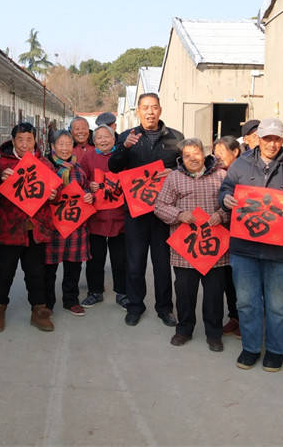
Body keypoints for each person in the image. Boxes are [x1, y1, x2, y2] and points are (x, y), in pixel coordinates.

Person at [219, 118, 283, 372]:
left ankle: (276, 350)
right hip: (245, 248)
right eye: (267, 138)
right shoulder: (240, 164)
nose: (272, 144)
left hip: (281, 249)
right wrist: (226, 199)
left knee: (279, 305)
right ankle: (250, 347)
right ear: (257, 138)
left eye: (277, 139)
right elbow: (225, 189)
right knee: (247, 302)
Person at [108, 92, 183, 327]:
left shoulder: (175, 137)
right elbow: (113, 166)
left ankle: (164, 308)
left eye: (154, 107)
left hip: (164, 211)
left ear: (160, 110)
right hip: (135, 210)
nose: (150, 112)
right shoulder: (126, 136)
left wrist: (176, 172)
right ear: (138, 111)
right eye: (145, 107)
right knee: (135, 262)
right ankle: (134, 306)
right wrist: (123, 148)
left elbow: (187, 165)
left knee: (162, 263)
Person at [154, 138, 230, 350]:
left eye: (196, 153)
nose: (192, 159)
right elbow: (159, 205)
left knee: (214, 293)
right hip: (185, 246)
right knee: (185, 292)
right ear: (181, 158)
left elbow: (233, 204)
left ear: (204, 153)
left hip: (213, 246)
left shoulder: (222, 175)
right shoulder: (174, 178)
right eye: (187, 155)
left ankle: (214, 334)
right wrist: (179, 214)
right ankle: (184, 329)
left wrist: (221, 215)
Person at [0, 122, 56, 332]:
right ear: (13, 140)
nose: (25, 144)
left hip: (35, 230)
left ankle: (39, 311)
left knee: (36, 273)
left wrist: (54, 195)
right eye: (20, 139)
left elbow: (57, 191)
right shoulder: (1, 164)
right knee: (3, 272)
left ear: (36, 140)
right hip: (9, 230)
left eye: (29, 139)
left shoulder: (44, 163)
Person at [45, 129, 93, 315]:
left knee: (73, 266)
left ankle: (70, 300)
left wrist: (90, 196)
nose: (65, 148)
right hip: (52, 226)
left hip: (75, 226)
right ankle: (47, 303)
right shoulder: (47, 167)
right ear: (53, 146)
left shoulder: (78, 169)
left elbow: (87, 188)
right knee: (49, 269)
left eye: (68, 144)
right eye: (61, 144)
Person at [78, 125, 127, 309]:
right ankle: (95, 291)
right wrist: (88, 188)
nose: (103, 140)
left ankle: (122, 292)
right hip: (96, 216)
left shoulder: (122, 156)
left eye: (107, 137)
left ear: (114, 138)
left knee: (120, 258)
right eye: (99, 138)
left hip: (119, 215)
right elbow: (80, 181)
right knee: (95, 258)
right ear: (94, 140)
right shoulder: (88, 157)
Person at [212, 135, 242, 337]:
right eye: (215, 154)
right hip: (223, 234)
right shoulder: (216, 173)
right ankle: (234, 317)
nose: (218, 158)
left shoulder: (245, 172)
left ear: (235, 152)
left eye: (221, 153)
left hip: (244, 235)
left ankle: (244, 320)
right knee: (228, 280)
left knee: (243, 281)